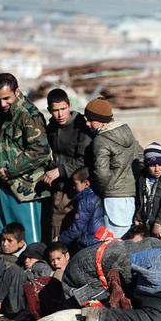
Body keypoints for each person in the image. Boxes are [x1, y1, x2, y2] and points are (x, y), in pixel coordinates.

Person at [0, 73, 52, 244]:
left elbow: (41, 150)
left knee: (29, 243)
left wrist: (9, 170)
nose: (2, 103)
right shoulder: (0, 112)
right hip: (2, 186)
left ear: (17, 91)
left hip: (25, 189)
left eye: (6, 98)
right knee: (4, 241)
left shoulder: (29, 115)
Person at [84, 96, 142, 238]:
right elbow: (141, 158)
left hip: (113, 200)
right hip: (131, 196)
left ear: (102, 120)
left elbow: (101, 173)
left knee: (113, 245)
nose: (87, 123)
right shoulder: (127, 133)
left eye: (91, 120)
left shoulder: (101, 140)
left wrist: (104, 189)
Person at [42, 88, 94, 240]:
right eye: (55, 110)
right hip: (59, 189)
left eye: (63, 109)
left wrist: (60, 171)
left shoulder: (81, 126)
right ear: (49, 110)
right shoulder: (51, 127)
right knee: (56, 234)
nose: (60, 114)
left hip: (81, 188)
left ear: (69, 106)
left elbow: (85, 158)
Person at [0, 241, 53, 320]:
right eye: (25, 258)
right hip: (14, 300)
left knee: (14, 270)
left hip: (25, 305)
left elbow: (39, 283)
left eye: (30, 258)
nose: (26, 260)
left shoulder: (42, 267)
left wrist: (21, 274)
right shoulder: (25, 267)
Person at [134, 142, 161, 244]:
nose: (157, 169)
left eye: (160, 164)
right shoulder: (142, 178)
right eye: (153, 165)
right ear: (146, 165)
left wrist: (158, 223)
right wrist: (138, 217)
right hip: (147, 227)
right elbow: (140, 200)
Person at [58, 167, 104, 250]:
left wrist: (60, 240)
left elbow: (77, 227)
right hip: (96, 240)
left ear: (86, 183)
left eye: (76, 184)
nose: (74, 187)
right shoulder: (94, 197)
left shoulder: (85, 201)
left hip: (88, 244)